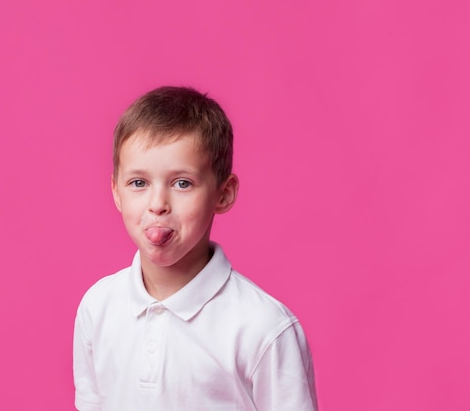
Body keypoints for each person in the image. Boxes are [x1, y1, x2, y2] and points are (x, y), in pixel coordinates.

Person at [73, 86, 318, 411]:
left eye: (182, 183)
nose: (158, 204)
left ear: (223, 193)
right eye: (139, 183)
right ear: (116, 192)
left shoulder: (263, 327)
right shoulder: (98, 307)